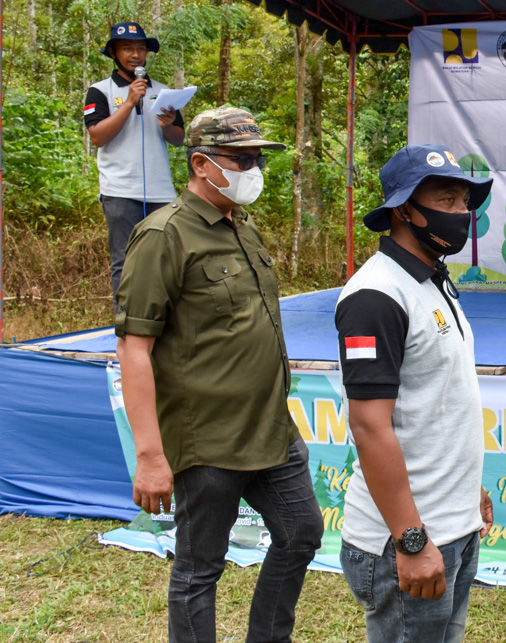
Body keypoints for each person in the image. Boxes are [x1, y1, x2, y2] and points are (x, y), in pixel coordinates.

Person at [115, 107, 323, 643]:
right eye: (242, 158)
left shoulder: (243, 226)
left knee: (302, 535)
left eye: (258, 157)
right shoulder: (162, 235)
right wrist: (150, 455)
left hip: (271, 430)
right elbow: (134, 348)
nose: (254, 168)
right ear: (202, 164)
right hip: (206, 436)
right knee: (200, 566)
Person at [336, 144, 495, 643]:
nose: (462, 213)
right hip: (407, 538)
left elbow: (437, 404)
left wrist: (471, 495)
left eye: (465, 201)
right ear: (404, 210)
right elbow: (369, 426)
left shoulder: (432, 280)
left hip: (453, 525)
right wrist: (410, 540)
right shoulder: (376, 296)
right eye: (446, 200)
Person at [84, 22, 185, 305]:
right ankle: (126, 329)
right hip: (120, 191)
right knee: (125, 262)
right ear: (114, 53)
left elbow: (178, 139)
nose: (136, 54)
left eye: (141, 48)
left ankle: (162, 325)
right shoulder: (99, 91)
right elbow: (97, 137)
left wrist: (167, 125)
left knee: (165, 262)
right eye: (128, 48)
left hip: (161, 192)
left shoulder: (163, 92)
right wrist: (128, 102)